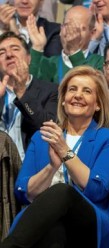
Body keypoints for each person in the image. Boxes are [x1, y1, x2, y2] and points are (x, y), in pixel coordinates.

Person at [0, 66, 109, 248]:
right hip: (45, 227)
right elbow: (23, 191)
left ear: (98, 105)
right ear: (63, 100)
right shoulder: (42, 137)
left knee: (63, 191)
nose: (77, 95)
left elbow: (97, 190)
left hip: (89, 231)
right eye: (72, 89)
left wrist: (65, 151)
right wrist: (52, 167)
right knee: (52, 228)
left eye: (86, 91)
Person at [0, 32, 58, 160]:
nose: (9, 55)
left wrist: (22, 92)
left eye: (15, 49)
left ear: (29, 58)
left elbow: (47, 130)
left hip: (30, 165)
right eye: (2, 53)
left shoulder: (51, 90)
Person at [28, 6, 105, 83]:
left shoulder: (100, 62)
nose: (73, 31)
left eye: (81, 28)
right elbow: (31, 90)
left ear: (92, 33)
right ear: (61, 30)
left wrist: (74, 51)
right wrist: (37, 48)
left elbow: (88, 86)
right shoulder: (50, 63)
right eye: (68, 25)